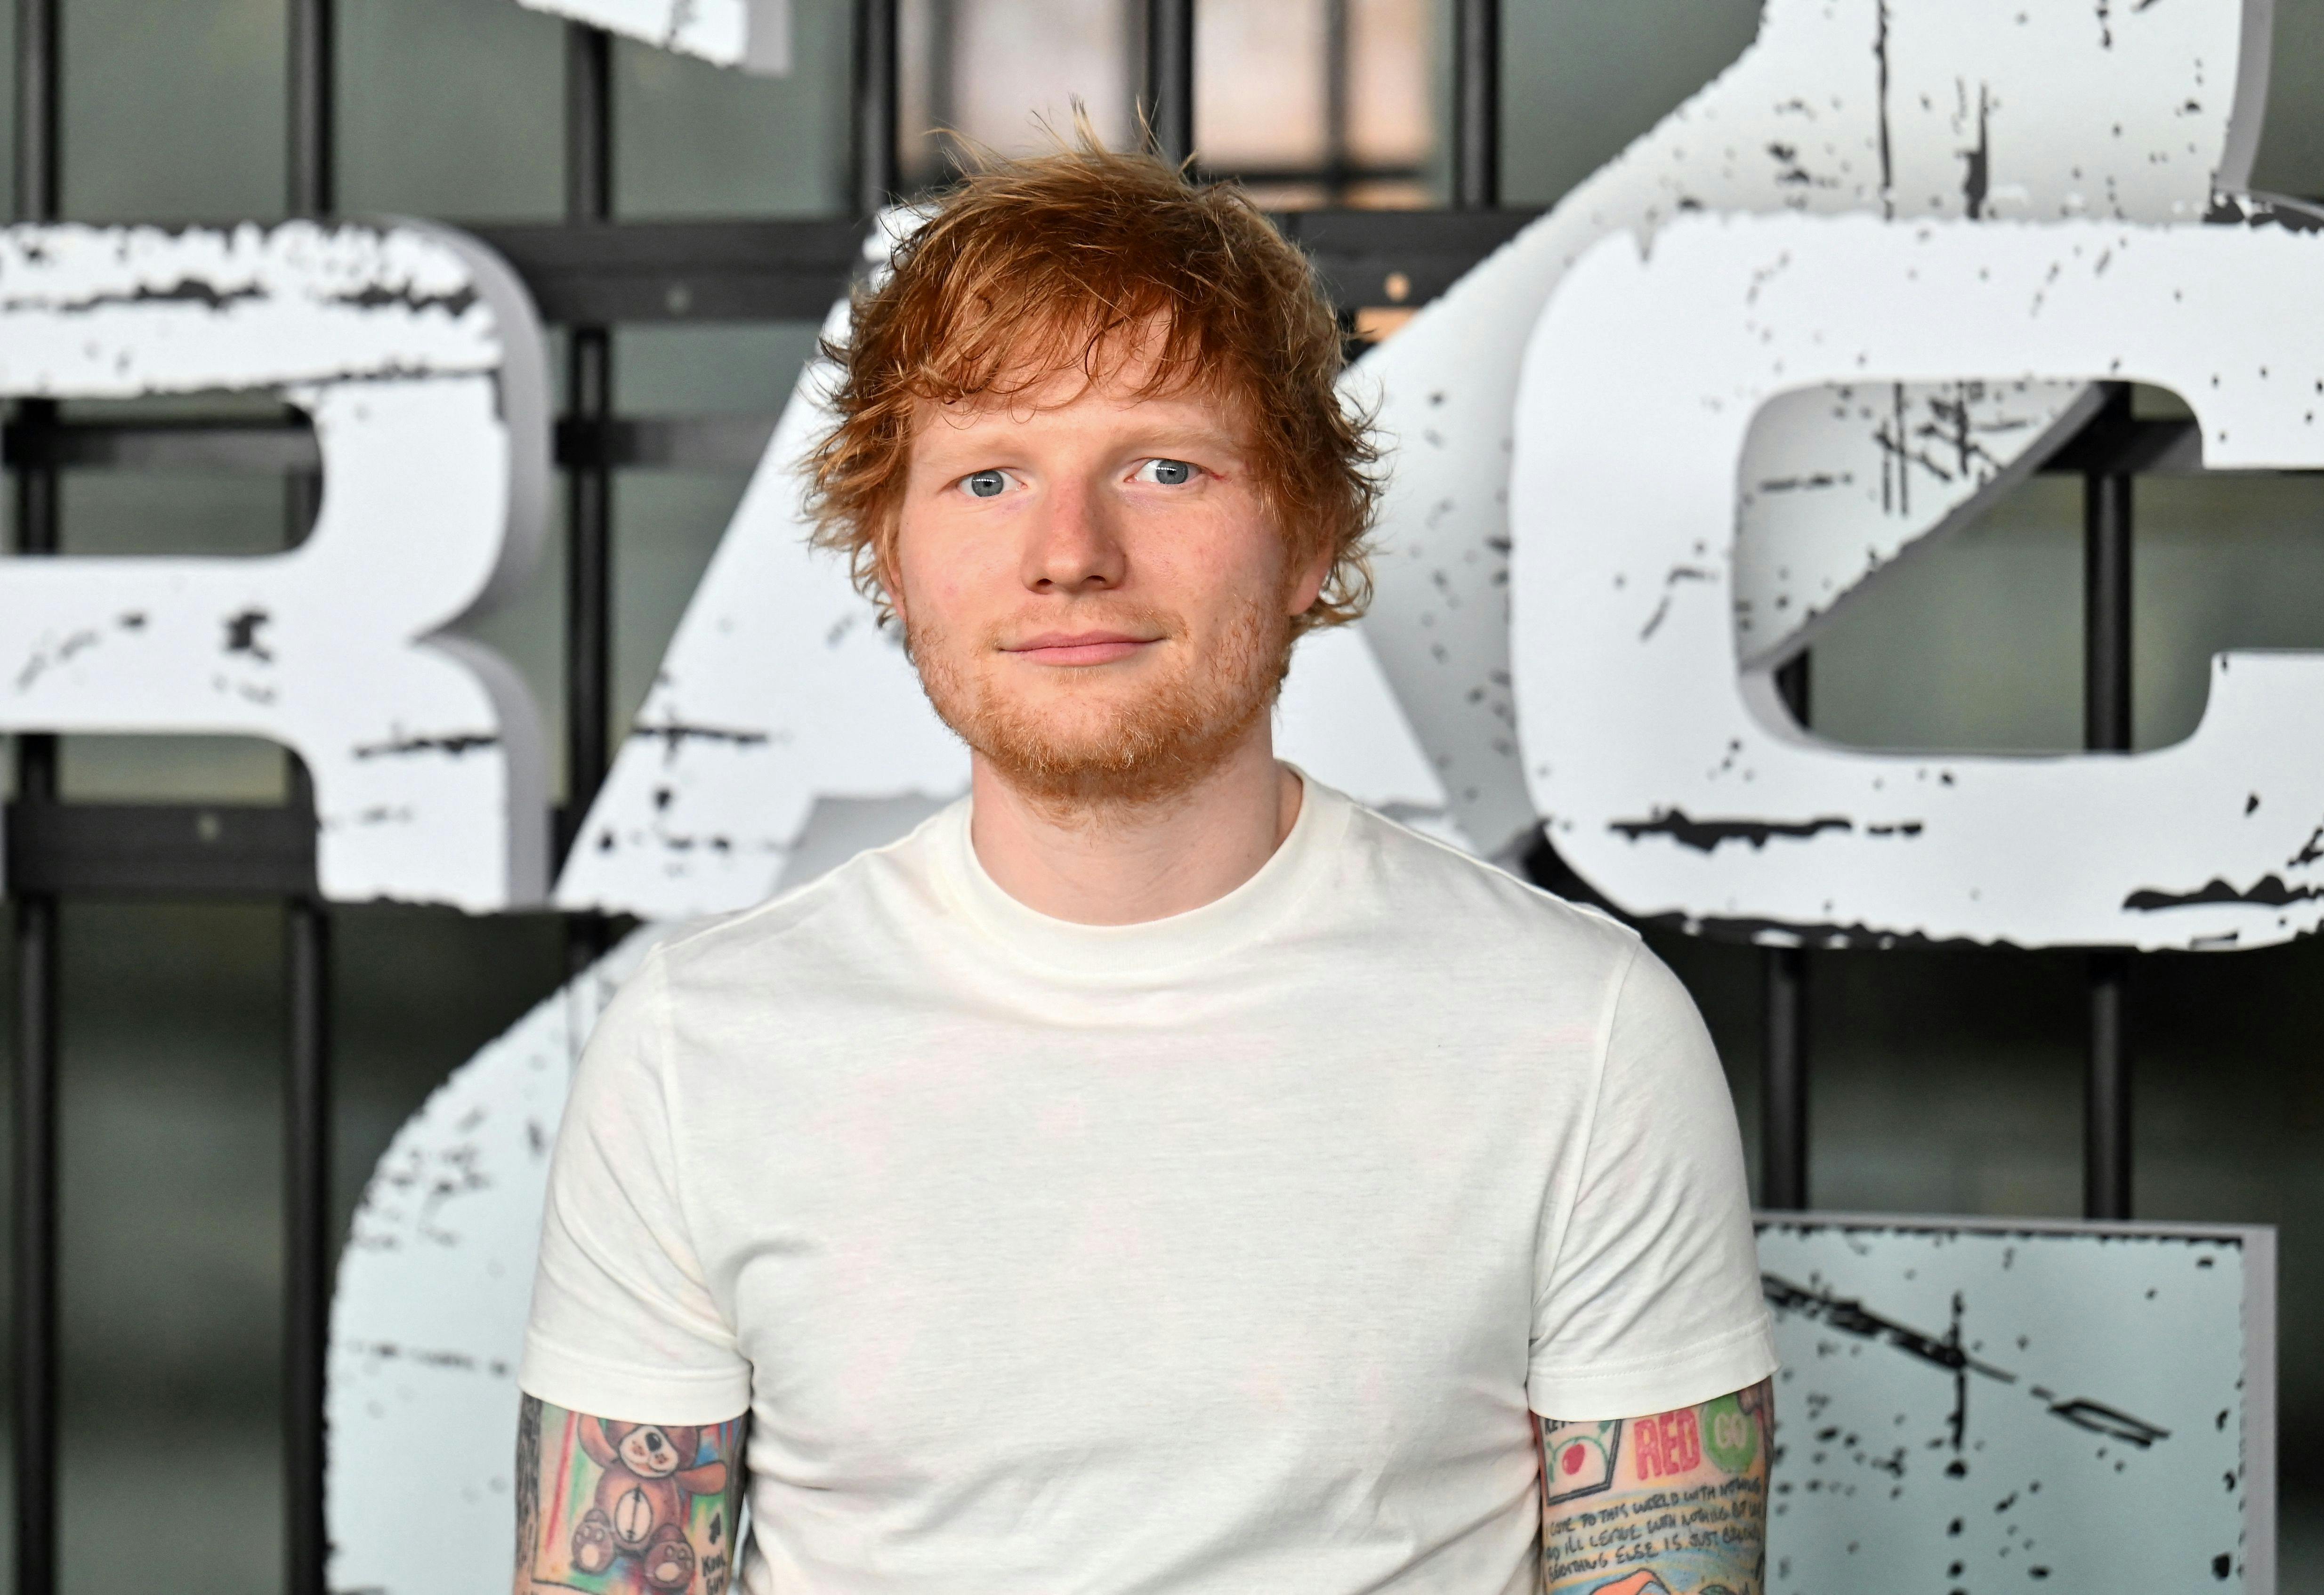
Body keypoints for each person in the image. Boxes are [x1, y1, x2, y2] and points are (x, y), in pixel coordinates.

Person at [513, 137, 1776, 1595]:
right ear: (893, 552)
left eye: (1162, 466)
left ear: (1305, 534)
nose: (1069, 551)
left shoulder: (1580, 1029)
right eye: (987, 477)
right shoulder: (694, 1047)